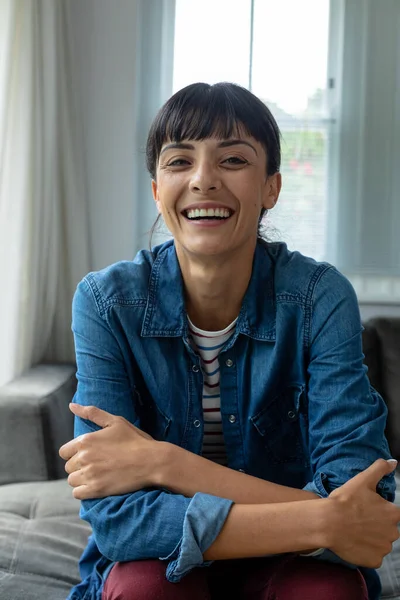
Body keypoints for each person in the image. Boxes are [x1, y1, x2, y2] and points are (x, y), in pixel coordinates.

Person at [60, 82, 399, 600]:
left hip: (292, 562)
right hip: (164, 563)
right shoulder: (106, 302)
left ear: (271, 188)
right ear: (156, 188)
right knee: (142, 589)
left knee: (324, 592)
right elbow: (119, 523)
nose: (203, 180)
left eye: (233, 160)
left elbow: (363, 499)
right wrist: (324, 520)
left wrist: (165, 464)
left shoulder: (317, 297)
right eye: (179, 162)